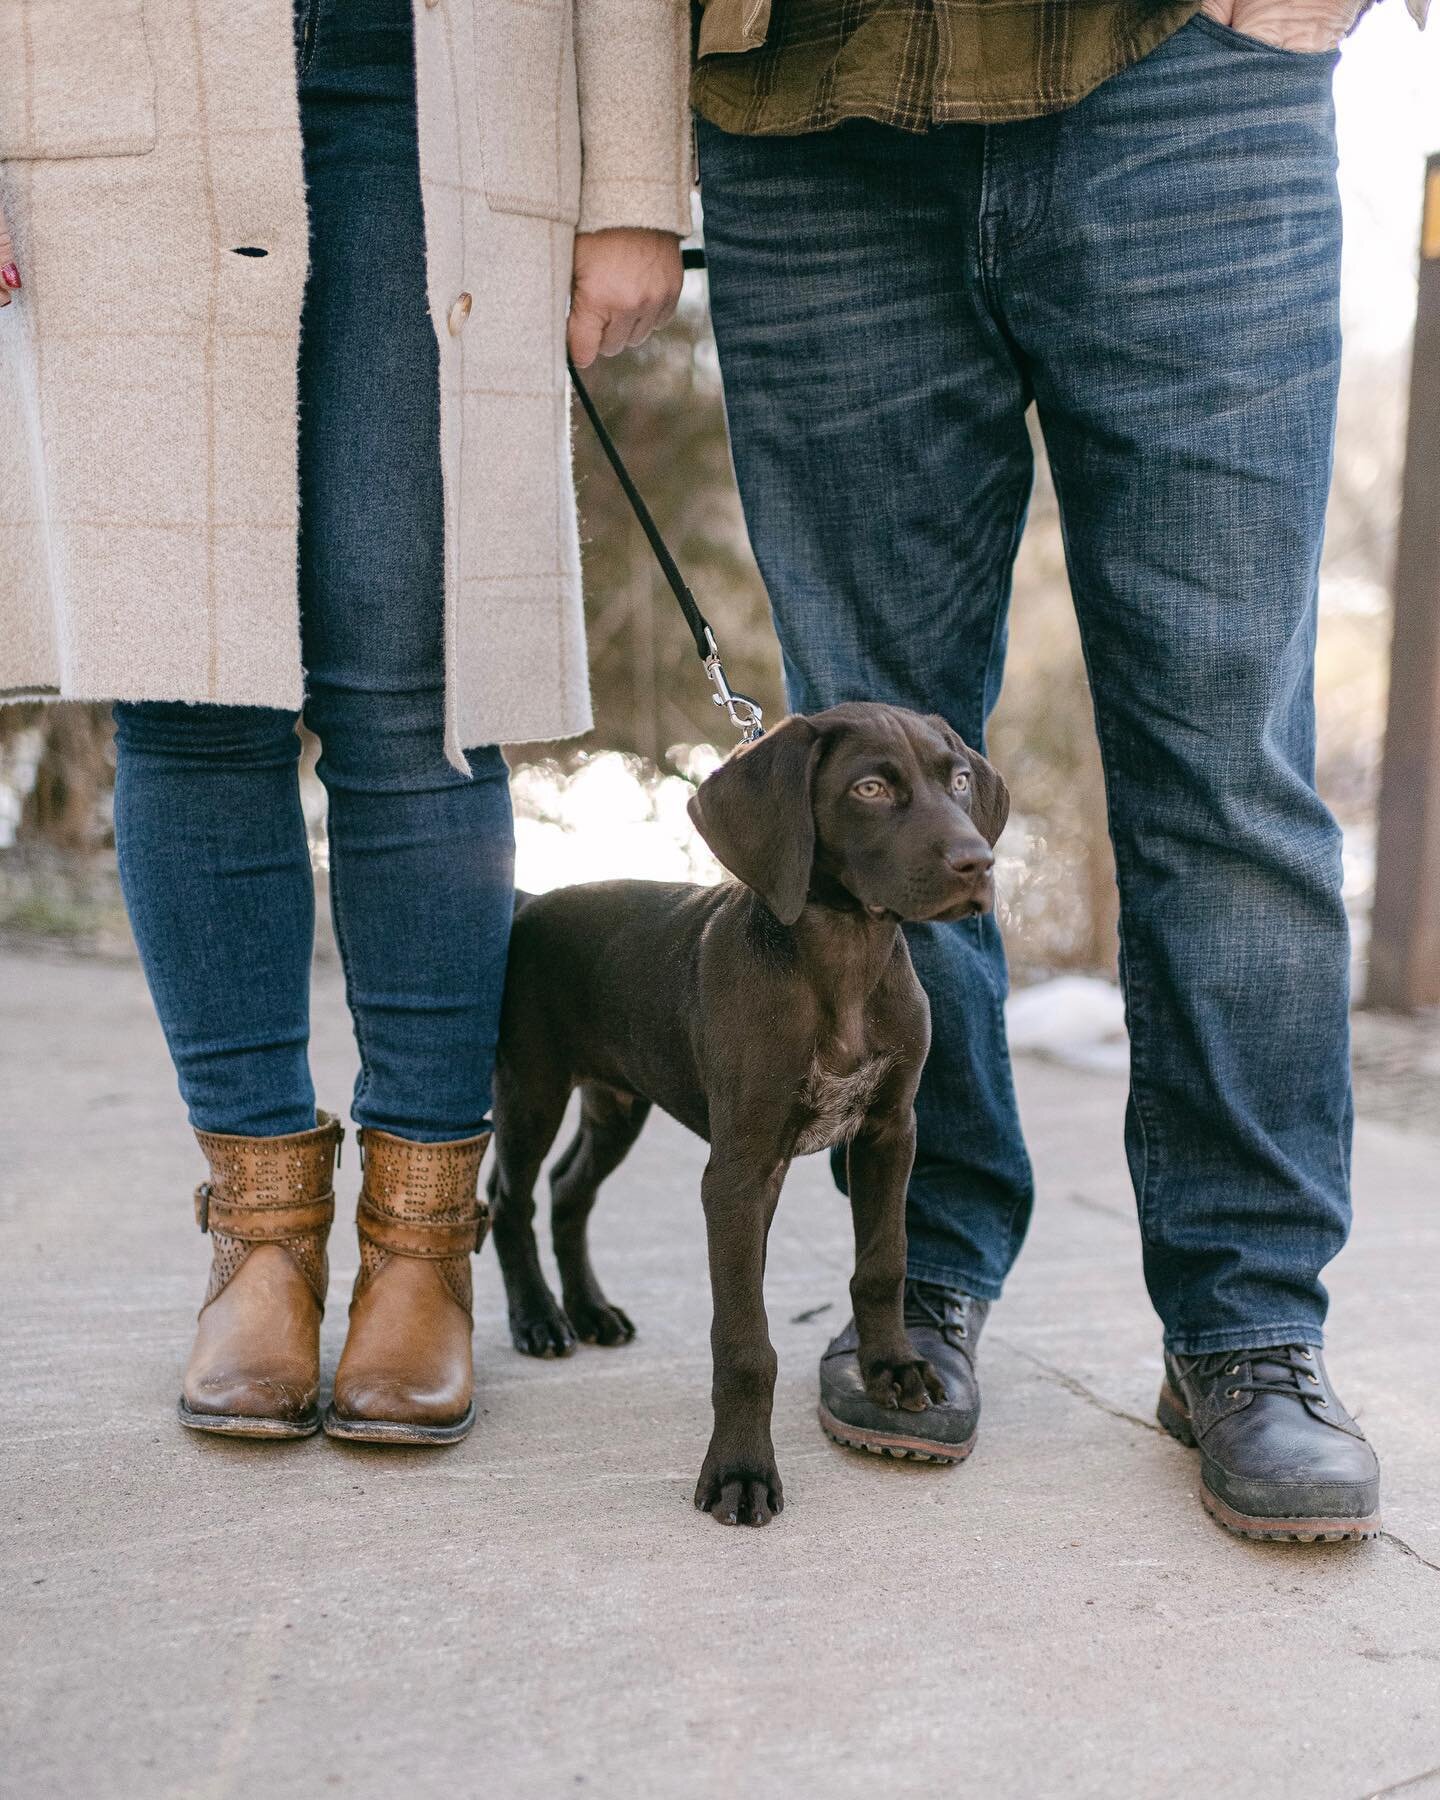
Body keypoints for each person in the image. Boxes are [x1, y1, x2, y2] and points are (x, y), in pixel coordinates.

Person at [692, 0, 1425, 1541]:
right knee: (868, 800)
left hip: (1188, 80)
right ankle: (918, 1281)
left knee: (1227, 768)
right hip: (810, 107)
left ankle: (1247, 1329)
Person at [0, 0, 690, 1446]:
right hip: (105, 97)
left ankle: (422, 1248)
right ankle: (260, 1241)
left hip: (436, 85)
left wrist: (633, 187)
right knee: (188, 686)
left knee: (420, 688)